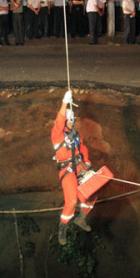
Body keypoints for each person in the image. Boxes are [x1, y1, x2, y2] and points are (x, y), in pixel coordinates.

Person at [51, 90, 97, 246]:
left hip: (79, 165)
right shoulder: (57, 135)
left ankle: (81, 218)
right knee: (71, 201)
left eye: (72, 119)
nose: (71, 121)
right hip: (67, 169)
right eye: (68, 119)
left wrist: (87, 164)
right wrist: (65, 102)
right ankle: (63, 227)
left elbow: (83, 149)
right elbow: (58, 121)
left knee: (91, 193)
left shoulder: (76, 136)